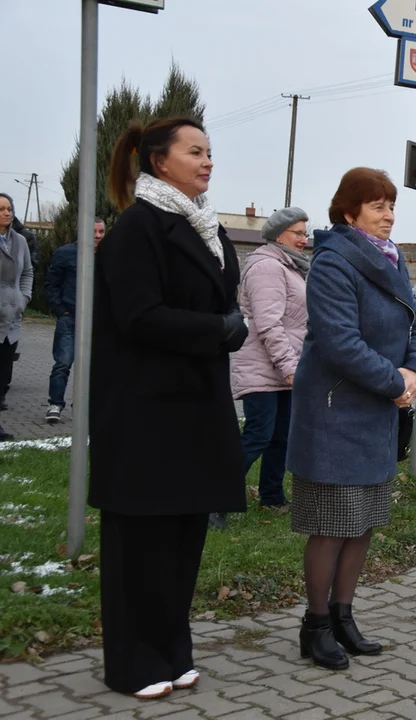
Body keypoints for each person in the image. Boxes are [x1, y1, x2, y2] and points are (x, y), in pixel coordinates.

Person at [90, 117, 249, 699]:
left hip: (194, 407)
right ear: (159, 161)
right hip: (143, 412)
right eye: (196, 152)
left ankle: (172, 651)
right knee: (141, 546)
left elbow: (221, 293)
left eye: (210, 151)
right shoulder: (139, 227)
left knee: (182, 539)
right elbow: (139, 316)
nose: (208, 162)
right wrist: (218, 329)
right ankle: (134, 663)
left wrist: (229, 325)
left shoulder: (201, 223)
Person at [286, 168, 416, 669]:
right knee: (331, 525)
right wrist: (397, 383)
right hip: (336, 410)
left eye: (391, 205)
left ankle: (344, 616)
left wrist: (415, 372)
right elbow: (340, 343)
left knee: (363, 520)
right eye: (377, 206)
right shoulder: (333, 262)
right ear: (349, 213)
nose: (389, 214)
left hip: (376, 409)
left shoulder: (390, 261)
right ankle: (316, 624)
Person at [226, 207, 311, 525]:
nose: (304, 239)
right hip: (264, 367)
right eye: (298, 233)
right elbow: (268, 325)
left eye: (305, 232)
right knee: (259, 434)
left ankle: (272, 496)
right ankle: (216, 498)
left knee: (281, 436)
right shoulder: (267, 267)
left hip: (285, 367)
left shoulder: (289, 266)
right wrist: (289, 365)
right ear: (278, 235)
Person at [44, 217, 106, 424]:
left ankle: (83, 406)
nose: (97, 236)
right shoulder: (65, 254)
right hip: (70, 319)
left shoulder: (110, 256)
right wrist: (61, 310)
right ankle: (55, 404)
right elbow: (51, 284)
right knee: (62, 363)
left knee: (94, 366)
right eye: (93, 231)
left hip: (98, 322)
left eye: (101, 232)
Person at [0, 193, 33, 432]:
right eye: (1, 209)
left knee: (3, 377)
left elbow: (28, 272)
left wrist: (24, 298)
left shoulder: (20, 241)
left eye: (9, 208)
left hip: (12, 319)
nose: (7, 213)